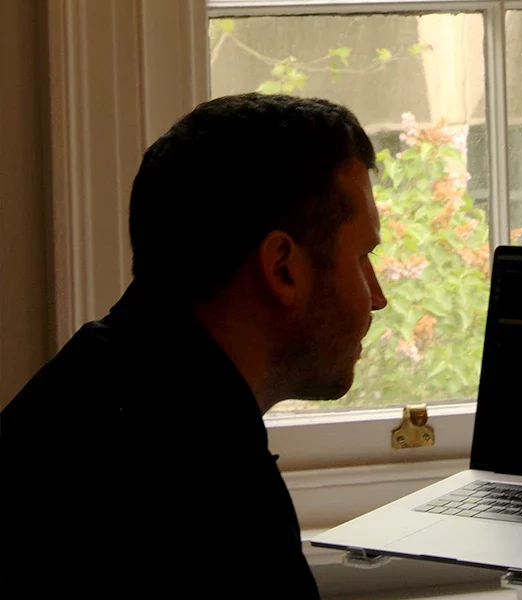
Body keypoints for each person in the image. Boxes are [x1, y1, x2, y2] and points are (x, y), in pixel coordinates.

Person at [0, 94, 387, 596]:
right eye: (362, 258)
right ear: (282, 268)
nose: (376, 298)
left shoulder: (89, 384)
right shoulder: (207, 491)